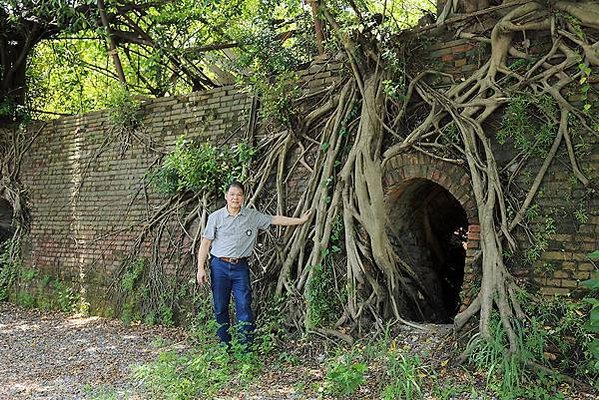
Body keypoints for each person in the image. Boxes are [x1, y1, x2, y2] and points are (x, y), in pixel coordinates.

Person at [196, 181, 311, 347]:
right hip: (219, 266)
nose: (235, 198)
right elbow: (205, 243)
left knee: (244, 305)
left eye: (239, 195)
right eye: (232, 194)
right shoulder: (215, 217)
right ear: (226, 196)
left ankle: (245, 347)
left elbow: (275, 219)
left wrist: (300, 221)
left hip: (240, 267)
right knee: (220, 306)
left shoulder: (252, 216)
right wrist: (201, 268)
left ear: (243, 197)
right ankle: (224, 346)